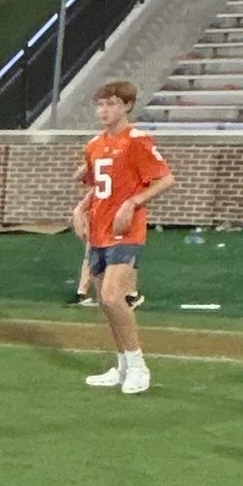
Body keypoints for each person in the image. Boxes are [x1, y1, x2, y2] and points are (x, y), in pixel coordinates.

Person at [75, 81, 173, 394]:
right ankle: (122, 367)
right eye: (101, 104)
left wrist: (132, 203)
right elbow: (98, 187)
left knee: (112, 297)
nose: (105, 110)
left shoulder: (136, 140)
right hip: (100, 229)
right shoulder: (94, 145)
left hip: (125, 231)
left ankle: (139, 366)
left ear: (127, 106)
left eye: (112, 104)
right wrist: (80, 208)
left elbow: (166, 179)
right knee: (106, 303)